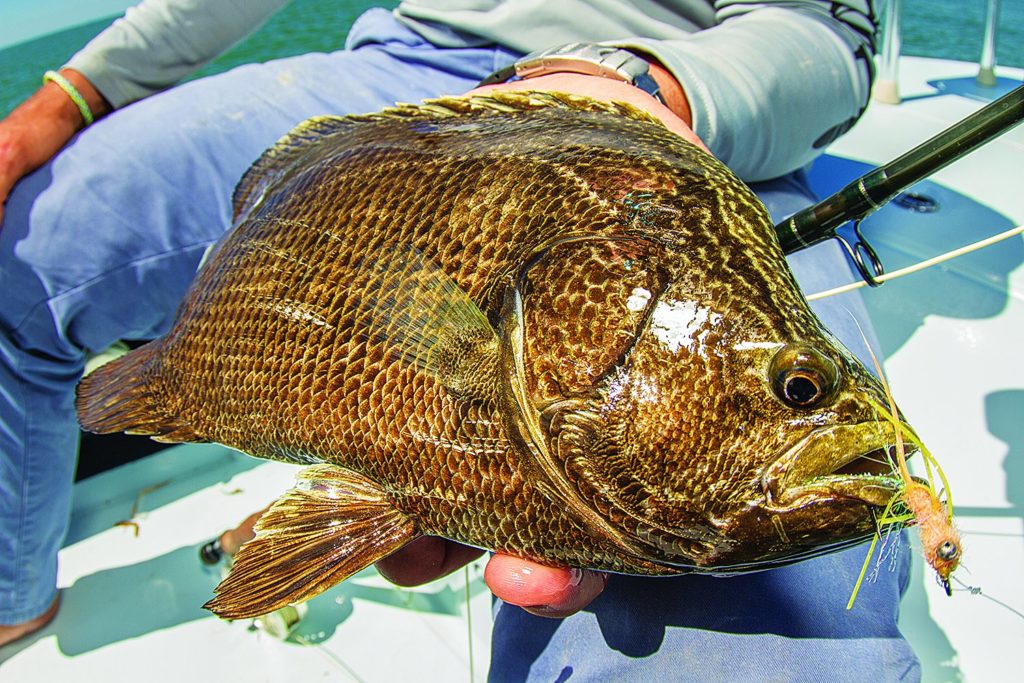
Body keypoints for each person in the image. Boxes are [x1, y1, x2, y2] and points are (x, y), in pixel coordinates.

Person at [0, 0, 919, 679]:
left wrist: (625, 85)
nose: (804, 402)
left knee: (762, 648)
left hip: (681, 125)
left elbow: (826, 37)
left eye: (796, 388)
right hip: (402, 66)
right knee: (27, 247)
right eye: (797, 389)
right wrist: (84, 86)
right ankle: (12, 597)